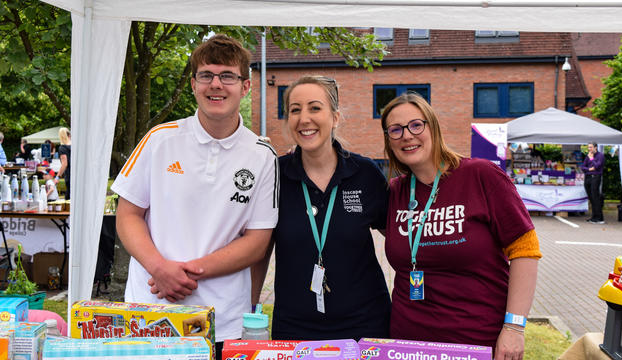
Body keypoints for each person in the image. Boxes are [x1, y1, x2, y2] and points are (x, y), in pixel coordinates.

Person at [111, 34, 278, 359]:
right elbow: (128, 215)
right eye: (206, 75)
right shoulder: (159, 140)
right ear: (193, 84)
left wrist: (183, 274)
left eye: (227, 76)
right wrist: (159, 268)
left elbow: (258, 241)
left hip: (222, 319)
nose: (216, 85)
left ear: (245, 87)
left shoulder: (262, 155)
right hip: (150, 311)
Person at [380, 93, 541, 359]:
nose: (406, 136)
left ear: (433, 127)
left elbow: (526, 250)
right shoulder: (394, 192)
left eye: (416, 125)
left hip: (476, 340)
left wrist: (514, 327)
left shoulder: (481, 175)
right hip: (408, 342)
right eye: (395, 130)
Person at [252, 75, 391, 340]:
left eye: (315, 108)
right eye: (295, 110)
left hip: (366, 326)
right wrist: (250, 308)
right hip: (294, 328)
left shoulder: (365, 174)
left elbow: (399, 242)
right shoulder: (274, 176)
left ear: (335, 117)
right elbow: (260, 252)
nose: (304, 118)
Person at [580, 142, 605, 224]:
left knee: (595, 197)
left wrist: (591, 159)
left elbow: (597, 166)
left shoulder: (600, 156)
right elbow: (583, 167)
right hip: (588, 178)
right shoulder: (588, 156)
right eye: (588, 147)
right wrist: (590, 169)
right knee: (591, 198)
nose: (589, 149)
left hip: (595, 177)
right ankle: (594, 217)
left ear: (595, 147)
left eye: (590, 147)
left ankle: (599, 218)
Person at [56, 127, 71, 200]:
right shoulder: (75, 146)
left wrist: (57, 177)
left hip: (69, 175)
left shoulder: (62, 148)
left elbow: (65, 164)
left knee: (69, 197)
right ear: (69, 135)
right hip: (79, 174)